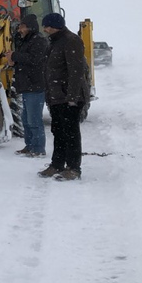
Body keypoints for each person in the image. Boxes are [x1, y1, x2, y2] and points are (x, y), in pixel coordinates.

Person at [37, 13, 90, 181]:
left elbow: (76, 71)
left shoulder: (71, 40)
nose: (45, 30)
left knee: (71, 133)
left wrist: (72, 97)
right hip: (56, 96)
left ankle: (74, 168)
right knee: (58, 131)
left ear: (55, 26)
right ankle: (57, 164)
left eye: (47, 26)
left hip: (69, 97)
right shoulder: (53, 42)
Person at [5, 14, 48, 157]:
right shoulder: (25, 41)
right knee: (26, 119)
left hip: (35, 85)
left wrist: (15, 56)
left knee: (34, 119)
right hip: (26, 85)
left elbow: (34, 60)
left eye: (22, 27)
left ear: (30, 27)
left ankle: (38, 148)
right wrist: (12, 60)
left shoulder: (39, 41)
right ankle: (29, 146)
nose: (19, 30)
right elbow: (24, 60)